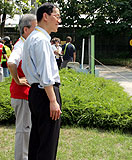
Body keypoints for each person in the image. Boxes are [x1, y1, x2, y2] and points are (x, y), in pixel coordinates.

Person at [21, 3, 62, 160]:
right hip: (46, 94)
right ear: (46, 16)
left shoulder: (31, 38)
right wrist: (53, 100)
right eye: (57, 16)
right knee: (47, 143)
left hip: (36, 93)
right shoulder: (42, 40)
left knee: (37, 140)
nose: (59, 21)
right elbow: (45, 74)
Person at [7, 14, 37, 160]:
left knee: (26, 130)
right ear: (26, 29)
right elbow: (11, 62)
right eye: (35, 28)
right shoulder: (20, 45)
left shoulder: (25, 44)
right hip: (22, 94)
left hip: (25, 94)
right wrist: (18, 80)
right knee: (23, 131)